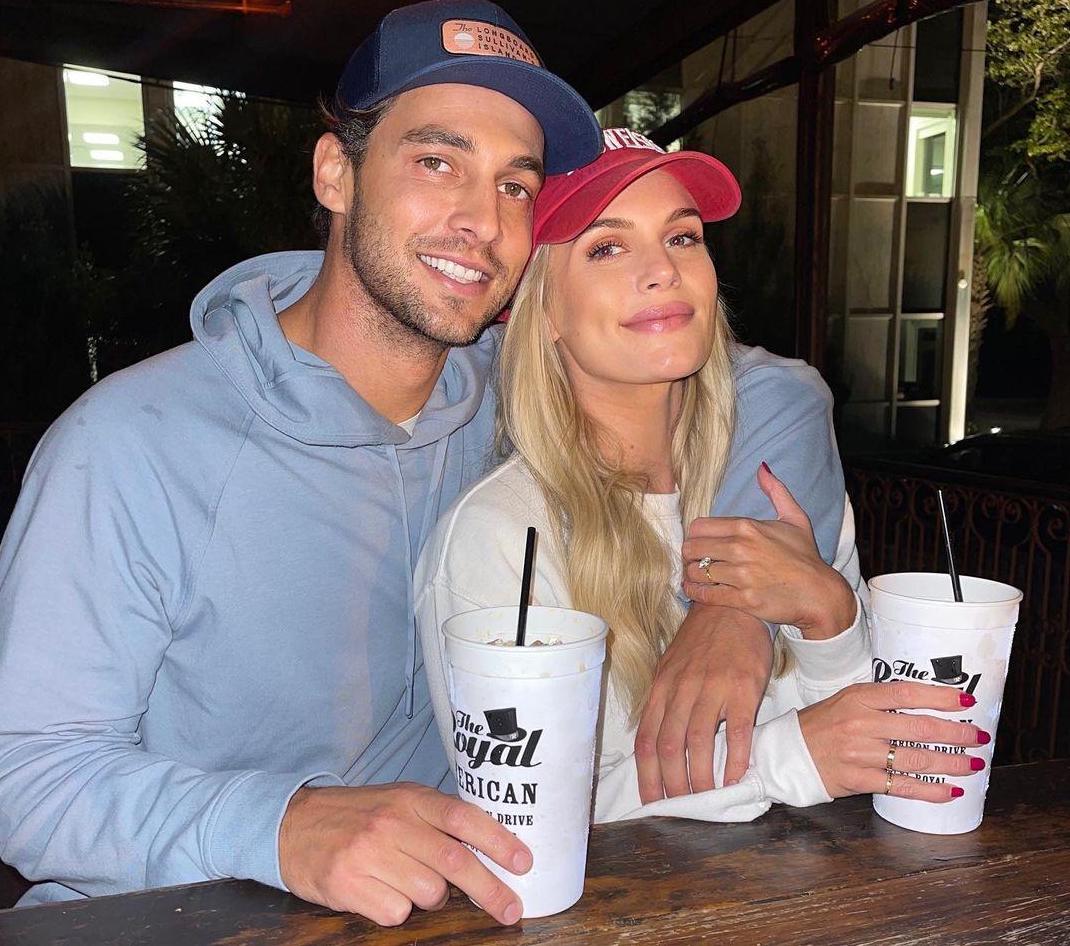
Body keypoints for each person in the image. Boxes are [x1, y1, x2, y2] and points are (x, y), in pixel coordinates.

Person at [0, 1, 830, 927]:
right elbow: (22, 774)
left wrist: (732, 603)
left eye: (516, 186)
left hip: (450, 910)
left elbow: (769, 388)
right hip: (170, 916)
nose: (483, 220)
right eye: (438, 162)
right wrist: (280, 826)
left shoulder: (504, 403)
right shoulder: (133, 442)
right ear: (335, 172)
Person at [416, 131, 988, 822]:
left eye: (683, 237)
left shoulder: (774, 484)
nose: (662, 270)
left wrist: (831, 619)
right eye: (606, 246)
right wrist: (790, 758)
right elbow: (525, 813)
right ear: (543, 312)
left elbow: (872, 741)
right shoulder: (503, 534)